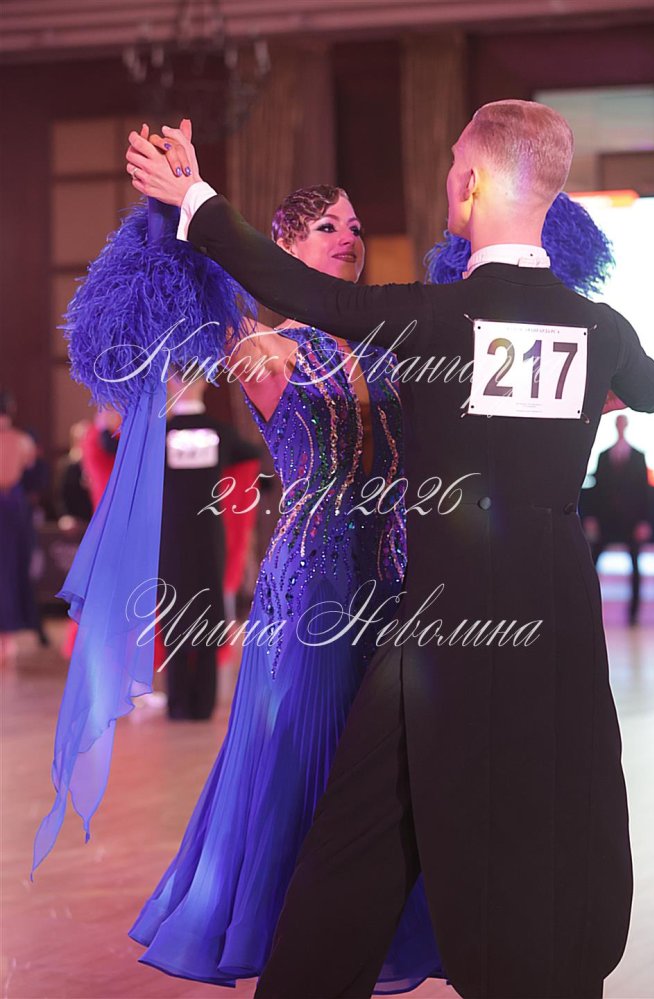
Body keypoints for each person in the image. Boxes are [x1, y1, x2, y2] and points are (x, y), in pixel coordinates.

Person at [126, 100, 654, 999]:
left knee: (361, 830)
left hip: (442, 620)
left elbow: (308, 295)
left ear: (472, 183)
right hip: (556, 617)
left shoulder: (434, 317)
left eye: (453, 163)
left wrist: (196, 200)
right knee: (550, 804)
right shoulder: (597, 327)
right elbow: (648, 391)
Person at [128, 180, 443, 992]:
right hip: (310, 586)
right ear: (288, 245)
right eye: (328, 224)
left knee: (385, 761)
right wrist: (181, 208)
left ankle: (372, 926)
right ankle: (292, 936)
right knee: (303, 757)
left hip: (392, 579)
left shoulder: (388, 346)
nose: (349, 236)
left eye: (356, 224)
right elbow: (199, 297)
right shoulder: (265, 347)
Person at [159, 367, 260, 720]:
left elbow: (114, 447)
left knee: (179, 606)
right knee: (198, 606)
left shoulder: (161, 434)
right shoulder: (221, 433)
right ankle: (198, 702)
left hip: (175, 537)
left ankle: (182, 702)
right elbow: (255, 457)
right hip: (203, 536)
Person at [586, 414, 652, 625]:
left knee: (635, 566)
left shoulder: (638, 456)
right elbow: (596, 490)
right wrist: (591, 517)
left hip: (631, 521)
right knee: (591, 564)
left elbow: (644, 491)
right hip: (606, 519)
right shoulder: (604, 456)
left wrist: (643, 521)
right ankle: (586, 607)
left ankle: (633, 614)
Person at [0, 389, 39, 663]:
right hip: (14, 508)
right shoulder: (23, 440)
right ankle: (8, 638)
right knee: (10, 570)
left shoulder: (22, 440)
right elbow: (31, 467)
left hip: (11, 509)